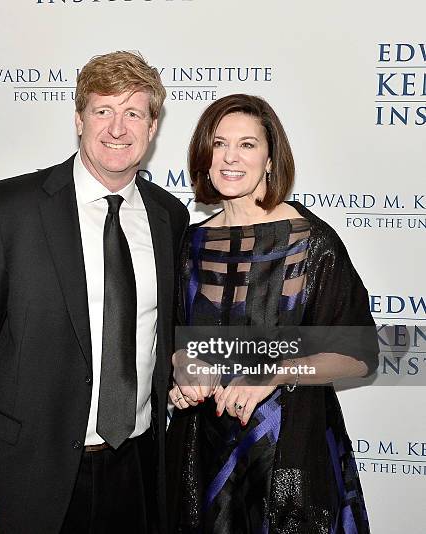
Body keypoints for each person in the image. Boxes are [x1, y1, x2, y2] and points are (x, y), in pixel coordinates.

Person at [0, 51, 189, 534]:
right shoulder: (11, 210)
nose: (117, 128)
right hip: (28, 476)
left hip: (137, 469)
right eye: (102, 110)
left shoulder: (168, 216)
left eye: (133, 113)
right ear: (78, 119)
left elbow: (169, 336)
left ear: (152, 128)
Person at [166, 94, 378, 533]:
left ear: (269, 158)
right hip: (198, 457)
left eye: (247, 144)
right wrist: (183, 367)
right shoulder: (188, 244)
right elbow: (175, 343)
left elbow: (359, 353)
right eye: (219, 143)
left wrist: (273, 371)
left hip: (288, 456)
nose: (230, 157)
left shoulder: (312, 242)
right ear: (204, 155)